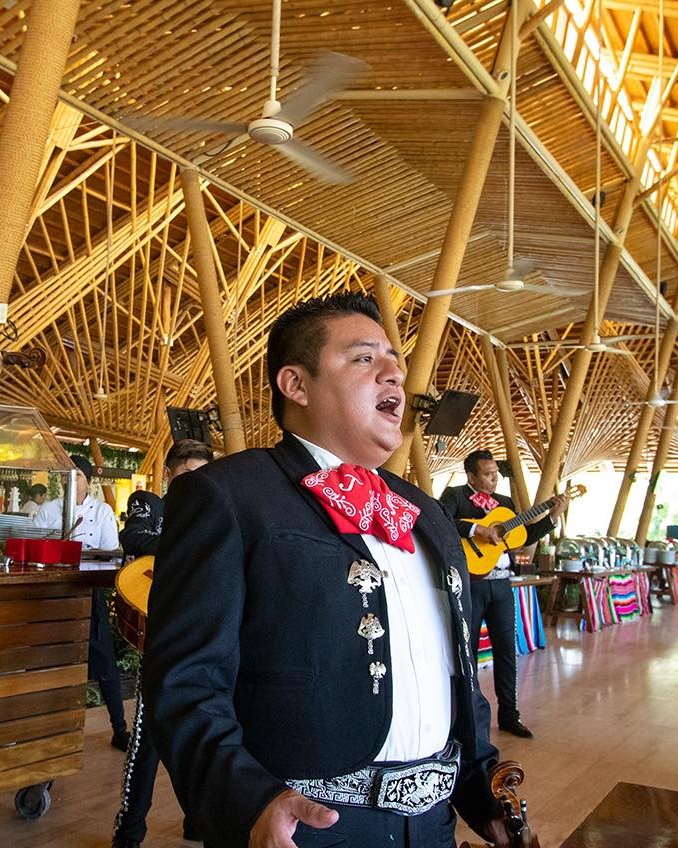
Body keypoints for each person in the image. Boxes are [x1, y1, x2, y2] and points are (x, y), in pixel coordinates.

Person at [143, 293, 514, 848]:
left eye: (394, 357)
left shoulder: (427, 513)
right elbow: (184, 681)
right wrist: (249, 803)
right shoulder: (227, 495)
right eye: (365, 358)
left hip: (435, 825)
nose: (394, 371)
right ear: (295, 384)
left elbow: (454, 669)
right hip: (306, 827)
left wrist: (480, 788)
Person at [112, 438, 214, 848]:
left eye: (203, 475)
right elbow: (134, 539)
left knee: (204, 736)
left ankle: (198, 824)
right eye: (187, 476)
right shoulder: (149, 504)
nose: (196, 484)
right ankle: (129, 833)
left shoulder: (217, 515)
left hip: (205, 639)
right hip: (160, 638)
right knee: (147, 738)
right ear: (170, 476)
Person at [438, 450, 566, 739]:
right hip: (471, 583)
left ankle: (510, 714)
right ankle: (465, 716)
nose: (494, 478)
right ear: (471, 475)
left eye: (495, 473)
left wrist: (552, 518)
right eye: (487, 473)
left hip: (502, 585)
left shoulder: (505, 504)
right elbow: (441, 521)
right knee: (465, 650)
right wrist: (475, 529)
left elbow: (524, 537)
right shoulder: (455, 495)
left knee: (507, 650)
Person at [31, 455, 128, 748]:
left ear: (88, 480)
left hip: (89, 590)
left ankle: (119, 728)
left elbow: (111, 552)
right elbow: (36, 543)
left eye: (77, 476)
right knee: (51, 658)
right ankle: (47, 730)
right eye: (66, 476)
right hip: (53, 592)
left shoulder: (102, 512)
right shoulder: (48, 509)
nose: (70, 481)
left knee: (104, 660)